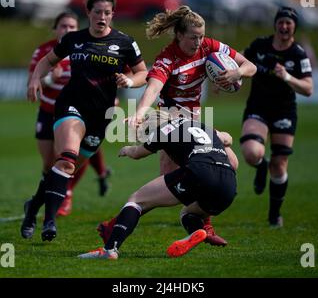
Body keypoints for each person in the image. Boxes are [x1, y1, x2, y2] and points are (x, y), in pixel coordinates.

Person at [108, 5, 255, 246]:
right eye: (192, 37)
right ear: (179, 35)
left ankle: (198, 223)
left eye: (200, 36)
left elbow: (252, 66)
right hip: (169, 117)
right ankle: (123, 225)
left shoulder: (209, 46)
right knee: (170, 181)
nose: (198, 42)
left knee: (229, 163)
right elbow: (153, 88)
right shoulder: (168, 58)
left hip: (195, 117)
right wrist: (139, 113)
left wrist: (236, 73)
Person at [21, 0, 148, 241]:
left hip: (100, 117)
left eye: (107, 12)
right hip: (70, 106)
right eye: (98, 11)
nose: (102, 17)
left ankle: (32, 207)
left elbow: (143, 72)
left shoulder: (125, 42)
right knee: (67, 159)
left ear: (113, 14)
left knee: (62, 171)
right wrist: (36, 79)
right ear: (88, 13)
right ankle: (49, 221)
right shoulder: (74, 39)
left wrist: (130, 81)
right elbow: (47, 61)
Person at [78, 111, 239, 259]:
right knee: (189, 213)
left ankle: (109, 250)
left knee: (137, 199)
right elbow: (228, 138)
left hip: (200, 171)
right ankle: (197, 231)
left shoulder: (163, 130)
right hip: (229, 185)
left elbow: (137, 153)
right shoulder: (199, 125)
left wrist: (127, 150)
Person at [26, 11, 112, 219]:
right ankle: (42, 199)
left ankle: (66, 194)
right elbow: (32, 82)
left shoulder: (84, 46)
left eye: (72, 27)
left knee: (68, 157)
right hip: (48, 111)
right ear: (55, 29)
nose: (67, 30)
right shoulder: (45, 51)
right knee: (49, 164)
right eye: (63, 26)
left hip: (78, 112)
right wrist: (47, 80)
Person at [240, 6, 313, 227]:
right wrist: (232, 76)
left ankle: (274, 214)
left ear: (294, 27)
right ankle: (262, 166)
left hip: (284, 111)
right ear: (275, 24)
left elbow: (308, 89)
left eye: (288, 23)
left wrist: (288, 77)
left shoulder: (298, 54)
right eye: (280, 22)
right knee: (252, 153)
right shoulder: (260, 45)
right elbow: (241, 61)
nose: (283, 26)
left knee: (280, 165)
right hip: (258, 107)